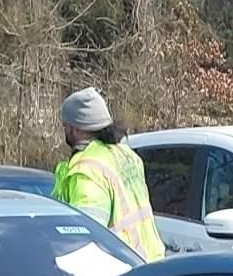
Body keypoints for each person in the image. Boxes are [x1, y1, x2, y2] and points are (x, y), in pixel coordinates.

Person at [51, 87, 164, 259]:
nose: (65, 131)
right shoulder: (126, 154)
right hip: (149, 261)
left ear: (77, 129)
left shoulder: (87, 170)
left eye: (66, 126)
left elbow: (86, 237)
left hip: (120, 269)